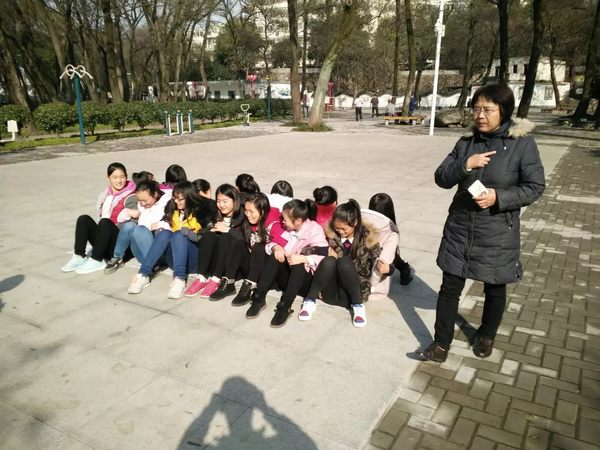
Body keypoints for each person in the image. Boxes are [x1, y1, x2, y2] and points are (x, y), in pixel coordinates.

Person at [417, 83, 545, 363]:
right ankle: (440, 344)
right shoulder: (466, 142)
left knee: (495, 286)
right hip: (460, 228)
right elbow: (441, 177)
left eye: (488, 109)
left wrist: (499, 197)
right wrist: (466, 164)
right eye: (476, 109)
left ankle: (486, 335)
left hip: (497, 231)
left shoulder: (522, 144)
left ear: (504, 111)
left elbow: (535, 186)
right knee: (450, 287)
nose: (480, 115)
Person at [299, 200, 397, 327]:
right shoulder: (331, 235)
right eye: (337, 228)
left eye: (343, 228)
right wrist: (325, 251)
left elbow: (379, 260)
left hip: (352, 293)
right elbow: (308, 249)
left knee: (345, 262)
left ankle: (358, 307)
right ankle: (309, 301)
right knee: (329, 261)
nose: (340, 231)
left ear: (355, 223)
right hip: (329, 290)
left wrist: (389, 269)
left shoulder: (368, 239)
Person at [245, 199, 328, 328]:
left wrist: (303, 259)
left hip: (304, 280)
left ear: (298, 221)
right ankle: (259, 297)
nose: (282, 221)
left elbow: (324, 258)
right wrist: (276, 247)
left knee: (299, 263)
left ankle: (285, 306)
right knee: (276, 255)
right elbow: (271, 243)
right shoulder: (287, 228)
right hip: (287, 277)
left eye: (285, 219)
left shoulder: (314, 230)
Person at [128, 181, 212, 299]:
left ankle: (179, 279)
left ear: (189, 197)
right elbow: (163, 224)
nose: (176, 201)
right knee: (164, 233)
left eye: (180, 199)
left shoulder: (202, 213)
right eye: (174, 198)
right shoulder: (172, 208)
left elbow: (206, 239)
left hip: (194, 258)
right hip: (174, 259)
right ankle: (143, 274)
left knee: (179, 234)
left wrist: (188, 233)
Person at [61, 162, 136, 274]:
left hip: (120, 245)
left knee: (105, 222)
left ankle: (97, 259)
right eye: (115, 177)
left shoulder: (132, 195)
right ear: (108, 178)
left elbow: (134, 225)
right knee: (83, 219)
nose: (119, 180)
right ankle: (79, 256)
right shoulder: (105, 194)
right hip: (105, 238)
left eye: (122, 177)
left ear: (126, 176)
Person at [213, 192, 288, 304]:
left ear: (262, 211)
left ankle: (250, 286)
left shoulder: (275, 223)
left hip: (268, 275)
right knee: (238, 243)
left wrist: (276, 247)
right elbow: (241, 237)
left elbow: (281, 245)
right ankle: (229, 282)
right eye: (246, 210)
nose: (248, 214)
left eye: (251, 211)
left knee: (259, 247)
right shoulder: (248, 221)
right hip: (253, 267)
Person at [183, 184, 246, 298]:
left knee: (226, 236)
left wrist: (227, 230)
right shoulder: (217, 215)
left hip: (232, 267)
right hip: (215, 263)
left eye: (225, 201)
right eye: (218, 201)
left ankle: (216, 280)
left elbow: (245, 240)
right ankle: (201, 277)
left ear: (235, 201)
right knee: (208, 235)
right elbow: (201, 235)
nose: (221, 205)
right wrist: (210, 230)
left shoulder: (243, 216)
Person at [104, 180, 172, 274]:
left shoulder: (168, 203)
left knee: (141, 229)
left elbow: (176, 225)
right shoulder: (141, 206)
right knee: (129, 226)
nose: (142, 203)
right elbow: (120, 219)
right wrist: (127, 212)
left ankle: (152, 265)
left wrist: (161, 224)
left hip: (159, 254)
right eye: (140, 200)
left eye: (145, 200)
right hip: (142, 252)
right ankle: (117, 257)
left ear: (155, 194)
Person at [368, 193, 414, 285]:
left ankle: (404, 268)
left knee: (388, 254)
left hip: (383, 263)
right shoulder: (367, 223)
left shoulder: (391, 232)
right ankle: (404, 268)